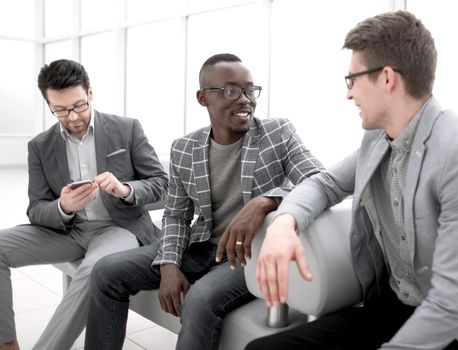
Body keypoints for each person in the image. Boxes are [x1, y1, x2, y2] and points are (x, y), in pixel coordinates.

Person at [249, 11, 458, 350]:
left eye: (352, 79)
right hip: (393, 308)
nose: (349, 94)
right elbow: (324, 184)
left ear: (387, 78)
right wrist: (284, 224)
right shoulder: (377, 141)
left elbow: (453, 302)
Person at [83, 53, 324, 350]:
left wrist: (266, 201)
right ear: (202, 98)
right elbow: (176, 216)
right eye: (231, 91)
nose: (245, 99)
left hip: (248, 255)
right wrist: (169, 264)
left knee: (199, 299)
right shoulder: (185, 148)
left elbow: (318, 179)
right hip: (201, 248)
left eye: (250, 90)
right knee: (106, 272)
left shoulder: (277, 133)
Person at [0, 59, 169, 350]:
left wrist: (125, 189)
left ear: (90, 93)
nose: (73, 116)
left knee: (95, 269)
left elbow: (161, 183)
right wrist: (62, 207)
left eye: (78, 105)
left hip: (119, 228)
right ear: (48, 105)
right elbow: (36, 208)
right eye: (61, 110)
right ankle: (7, 343)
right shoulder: (40, 146)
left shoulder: (126, 129)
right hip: (68, 230)